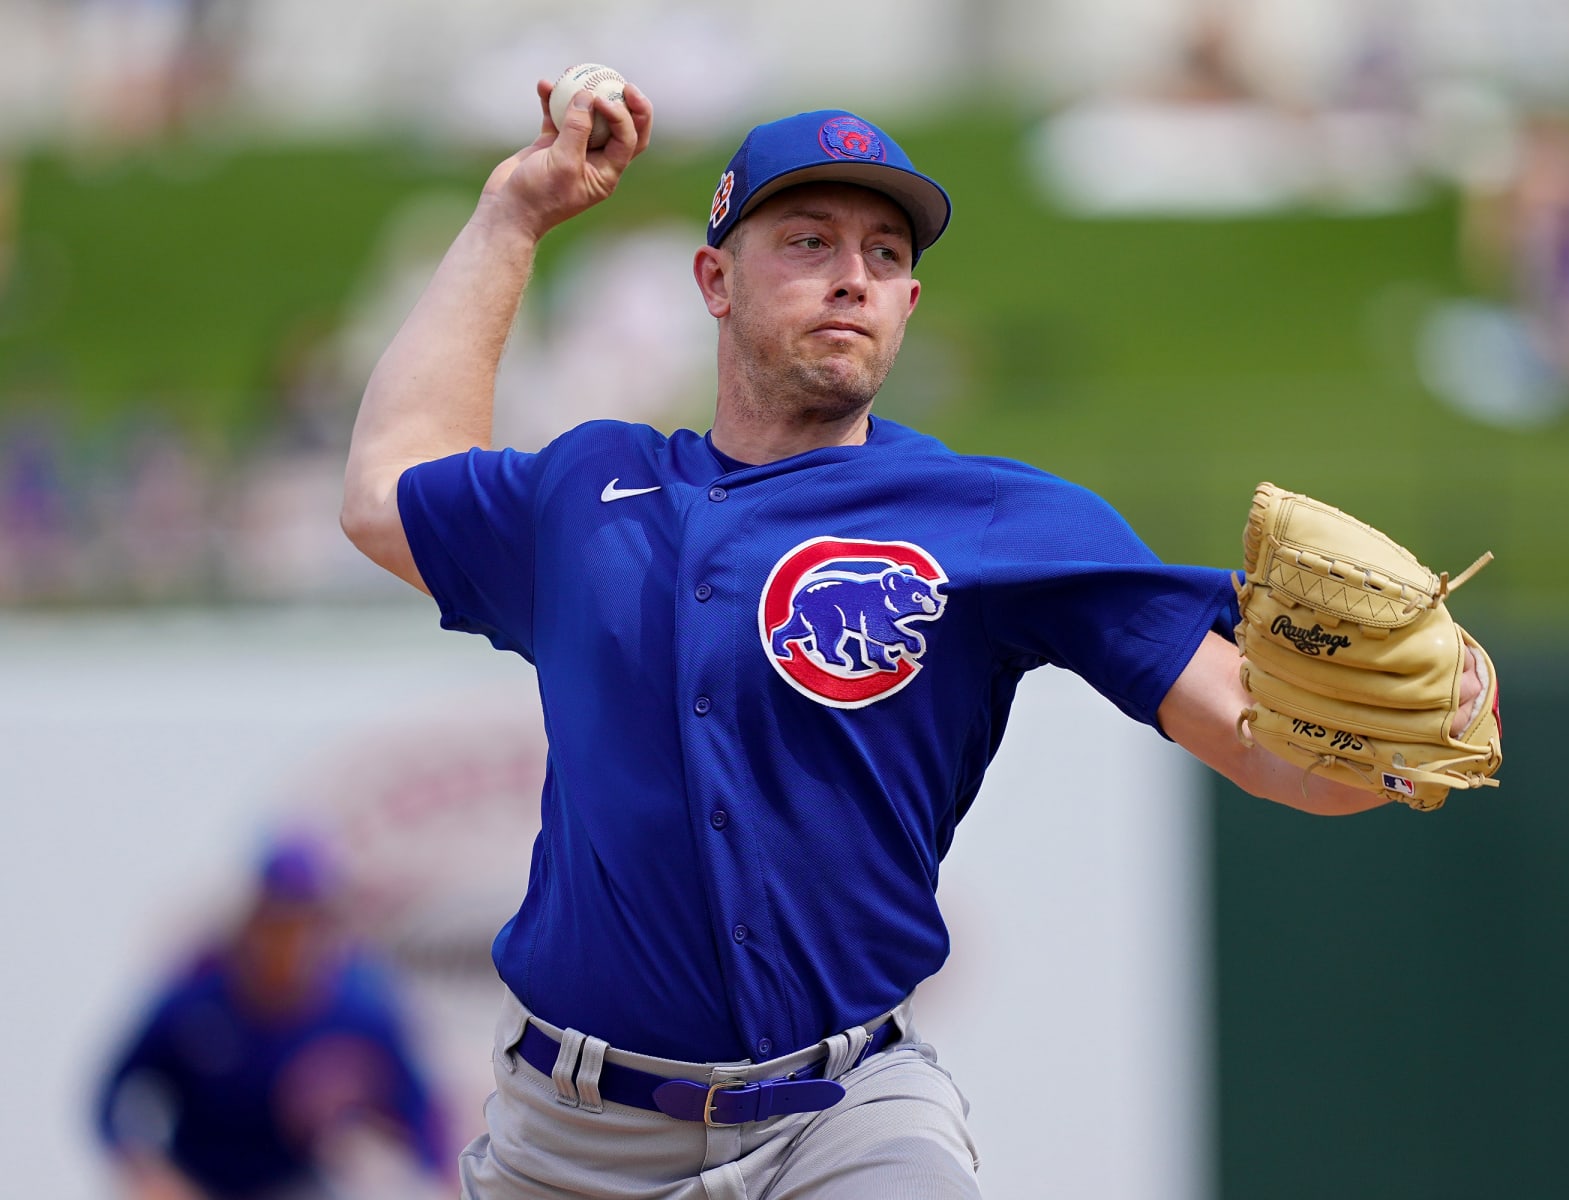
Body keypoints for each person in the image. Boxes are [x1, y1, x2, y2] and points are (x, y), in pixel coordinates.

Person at [339, 79, 1488, 1198]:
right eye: (808, 240)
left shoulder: (990, 517)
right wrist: (516, 210)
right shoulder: (593, 488)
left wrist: (1405, 739)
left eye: (887, 257)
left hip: (844, 1122)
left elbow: (1264, 744)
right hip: (570, 1143)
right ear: (714, 278)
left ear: (909, 306)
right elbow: (386, 493)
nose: (853, 277)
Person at [94, 838, 452, 1200]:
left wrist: (431, 1182)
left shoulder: (360, 1010)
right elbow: (113, 1093)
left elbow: (420, 1108)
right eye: (279, 922)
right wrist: (144, 1169)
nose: (292, 942)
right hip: (197, 1181)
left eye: (306, 924)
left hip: (299, 1183)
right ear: (254, 919)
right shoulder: (200, 999)